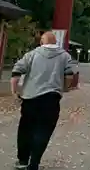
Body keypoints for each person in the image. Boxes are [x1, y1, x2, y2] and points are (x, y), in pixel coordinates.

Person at [11, 31, 74, 170]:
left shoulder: (32, 54)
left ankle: (22, 161)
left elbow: (16, 73)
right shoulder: (65, 56)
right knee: (44, 131)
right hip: (51, 98)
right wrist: (64, 88)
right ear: (55, 42)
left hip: (30, 99)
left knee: (25, 130)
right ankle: (34, 163)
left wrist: (14, 92)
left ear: (41, 42)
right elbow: (69, 75)